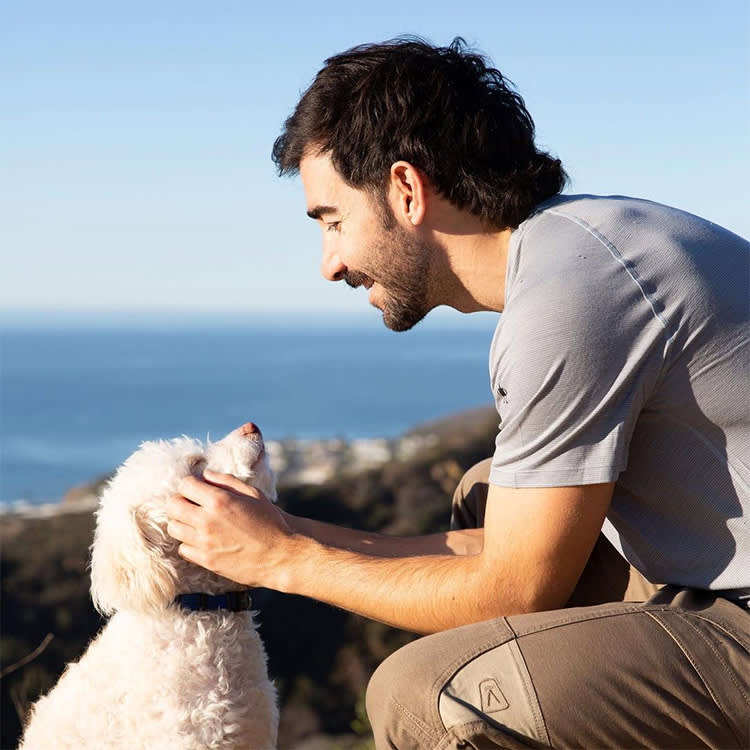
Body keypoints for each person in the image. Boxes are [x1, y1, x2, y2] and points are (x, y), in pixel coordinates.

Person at [165, 38, 750, 748]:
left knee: (424, 697)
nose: (330, 263)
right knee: (487, 493)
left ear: (406, 190)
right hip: (710, 570)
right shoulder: (580, 246)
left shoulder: (572, 297)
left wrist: (280, 560)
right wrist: (285, 533)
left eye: (332, 220)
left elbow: (516, 590)